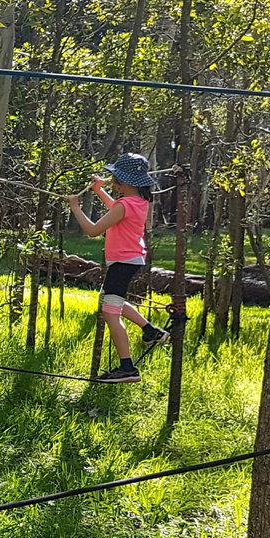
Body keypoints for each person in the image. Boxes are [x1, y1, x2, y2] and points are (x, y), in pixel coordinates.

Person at [67, 153, 170, 384]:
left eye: (115, 179)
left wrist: (75, 206)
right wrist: (98, 190)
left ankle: (127, 368)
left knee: (110, 313)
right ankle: (151, 331)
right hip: (129, 260)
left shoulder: (125, 205)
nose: (112, 183)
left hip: (123, 263)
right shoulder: (138, 202)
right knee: (111, 300)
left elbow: (92, 231)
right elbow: (116, 208)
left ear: (124, 183)